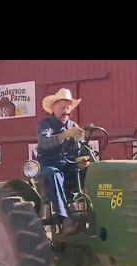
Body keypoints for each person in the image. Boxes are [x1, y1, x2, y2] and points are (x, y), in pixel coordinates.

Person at [36, 88, 90, 235]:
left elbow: (81, 148)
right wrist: (65, 134)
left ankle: (93, 212)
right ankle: (65, 218)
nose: (65, 111)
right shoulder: (45, 125)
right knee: (55, 175)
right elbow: (44, 142)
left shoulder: (73, 125)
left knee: (91, 170)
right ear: (53, 108)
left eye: (68, 108)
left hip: (69, 165)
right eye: (62, 108)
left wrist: (82, 159)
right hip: (48, 165)